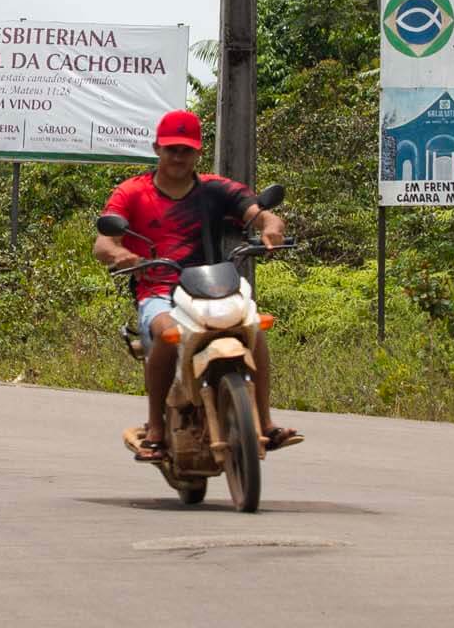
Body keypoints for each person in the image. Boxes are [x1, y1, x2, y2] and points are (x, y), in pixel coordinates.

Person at [93, 109, 301, 463]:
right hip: (158, 290)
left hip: (212, 287)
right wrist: (122, 255)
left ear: (198, 153)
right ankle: (156, 429)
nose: (178, 157)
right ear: (157, 148)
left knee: (254, 327)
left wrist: (270, 227)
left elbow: (260, 212)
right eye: (171, 149)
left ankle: (264, 423)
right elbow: (103, 243)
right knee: (167, 332)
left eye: (185, 150)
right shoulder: (132, 192)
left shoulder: (217, 190)